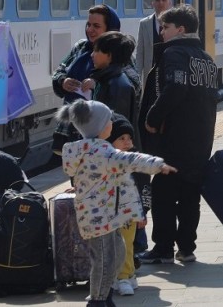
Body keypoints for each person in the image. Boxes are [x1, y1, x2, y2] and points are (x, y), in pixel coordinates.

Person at [58, 99, 176, 307]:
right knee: (104, 261)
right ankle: (97, 301)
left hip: (104, 216)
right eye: (109, 122)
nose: (112, 124)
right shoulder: (102, 152)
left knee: (117, 253)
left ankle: (105, 296)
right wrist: (157, 164)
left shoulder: (87, 150)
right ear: (100, 128)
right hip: (99, 218)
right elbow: (131, 159)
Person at [138, 4, 218, 265]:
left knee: (163, 193)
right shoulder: (206, 58)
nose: (161, 32)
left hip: (173, 138)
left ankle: (162, 247)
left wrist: (152, 117)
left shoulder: (174, 53)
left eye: (165, 27)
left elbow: (175, 87)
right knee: (189, 197)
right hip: (200, 138)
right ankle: (186, 246)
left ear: (180, 29)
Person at [51, 4, 127, 154]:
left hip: (104, 129)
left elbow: (132, 82)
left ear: (109, 28)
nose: (90, 30)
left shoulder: (119, 51)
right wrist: (63, 81)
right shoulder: (80, 47)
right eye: (88, 24)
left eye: (96, 26)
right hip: (73, 128)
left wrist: (98, 84)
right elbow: (59, 70)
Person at [106, 114, 151, 296]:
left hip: (129, 213)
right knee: (112, 247)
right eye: (121, 138)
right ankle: (122, 276)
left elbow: (145, 189)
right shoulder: (105, 162)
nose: (127, 142)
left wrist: (143, 212)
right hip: (108, 213)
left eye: (129, 138)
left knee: (126, 244)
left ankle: (125, 277)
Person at [89, 31, 141, 145]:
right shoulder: (107, 80)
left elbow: (117, 130)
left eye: (97, 50)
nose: (92, 54)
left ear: (109, 56)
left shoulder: (117, 86)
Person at [136, 0, 172, 85]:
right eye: (157, 0)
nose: (160, 3)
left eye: (164, 0)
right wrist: (137, 76)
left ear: (169, 3)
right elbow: (140, 51)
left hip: (170, 71)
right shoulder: (144, 23)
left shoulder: (176, 24)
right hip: (151, 74)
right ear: (153, 3)